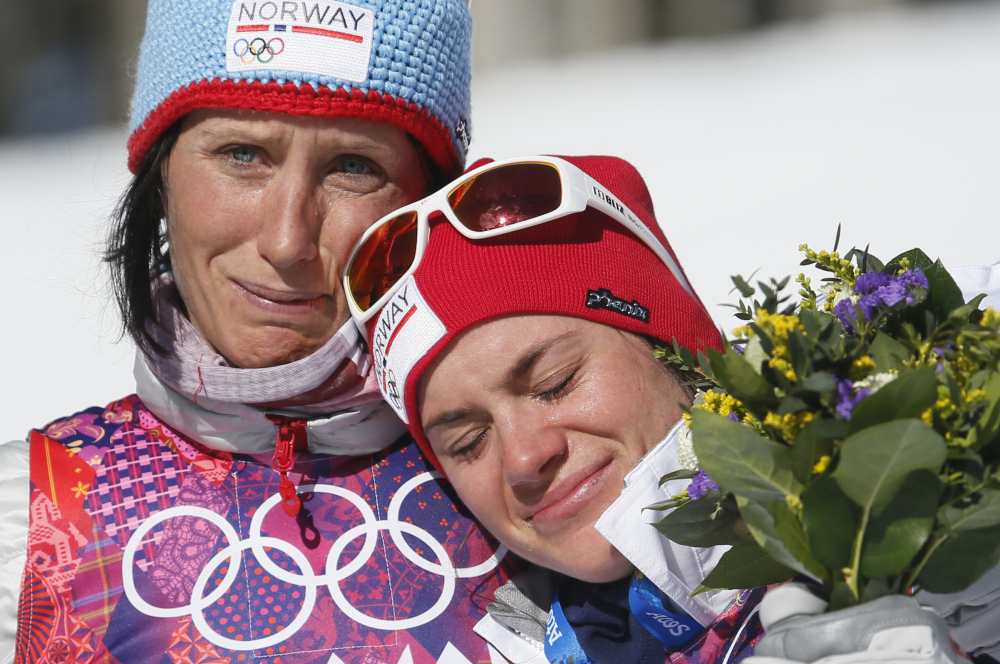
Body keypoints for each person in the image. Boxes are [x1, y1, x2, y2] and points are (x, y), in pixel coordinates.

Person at [0, 1, 516, 663]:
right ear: (162, 173)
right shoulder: (30, 524)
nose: (286, 239)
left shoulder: (542, 471)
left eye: (353, 167)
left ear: (426, 203)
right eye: (243, 154)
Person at [347, 154, 997, 663]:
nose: (523, 457)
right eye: (466, 443)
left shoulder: (946, 487)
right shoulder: (509, 644)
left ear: (672, 345)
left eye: (555, 381)